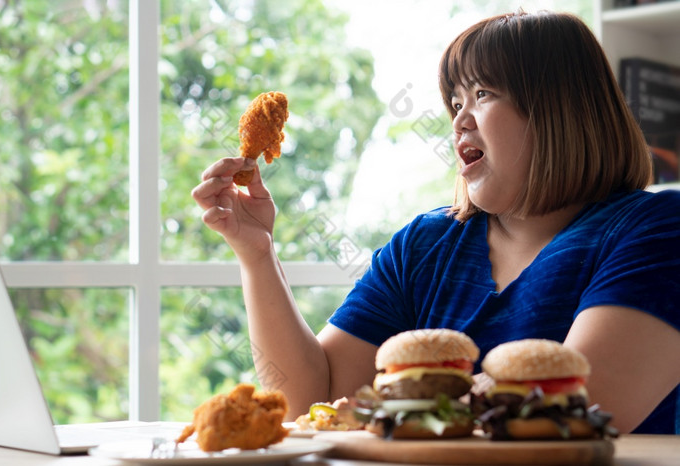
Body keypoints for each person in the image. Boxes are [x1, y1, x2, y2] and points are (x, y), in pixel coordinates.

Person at [191, 10, 680, 434]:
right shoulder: (425, 246)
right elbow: (311, 403)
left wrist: (381, 410)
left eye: (483, 93)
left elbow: (578, 402)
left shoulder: (655, 229)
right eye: (455, 102)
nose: (459, 120)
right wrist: (257, 254)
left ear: (561, 110)